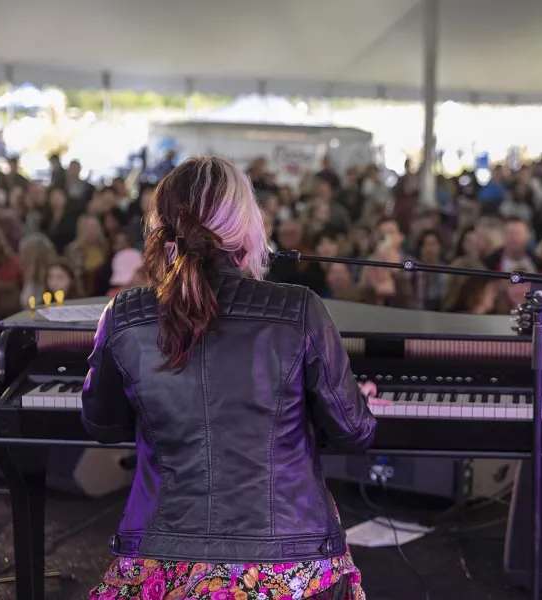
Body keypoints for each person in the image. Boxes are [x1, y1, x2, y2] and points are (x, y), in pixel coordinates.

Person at [82, 157, 385, 600]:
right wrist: (349, 398)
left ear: (163, 224)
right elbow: (354, 433)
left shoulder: (124, 316)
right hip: (290, 563)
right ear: (246, 224)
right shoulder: (297, 309)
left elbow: (101, 424)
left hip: (161, 561)